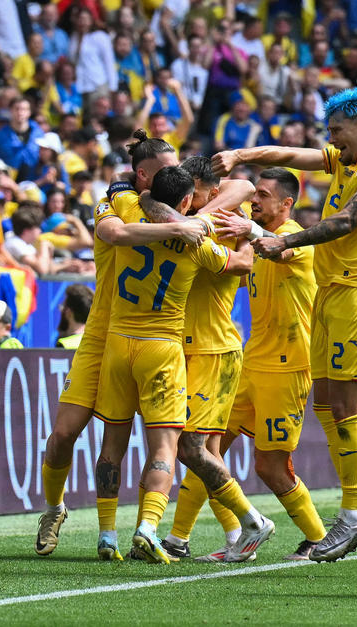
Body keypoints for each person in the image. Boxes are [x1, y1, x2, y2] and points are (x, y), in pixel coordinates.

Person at [213, 87, 357, 562]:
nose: (332, 143)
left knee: (345, 405)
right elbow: (290, 154)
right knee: (326, 402)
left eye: (338, 131)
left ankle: (350, 516)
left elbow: (345, 222)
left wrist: (286, 241)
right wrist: (242, 153)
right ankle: (356, 501)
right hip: (332, 294)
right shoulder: (346, 158)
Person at [34, 131, 208, 558]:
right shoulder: (115, 201)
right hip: (100, 334)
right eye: (169, 169)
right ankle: (54, 509)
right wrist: (181, 225)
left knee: (121, 437)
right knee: (63, 434)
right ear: (143, 174)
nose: (178, 175)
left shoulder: (165, 202)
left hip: (138, 336)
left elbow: (234, 184)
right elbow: (112, 233)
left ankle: (116, 533)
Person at [93, 165, 256, 564]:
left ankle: (107, 535)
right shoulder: (196, 240)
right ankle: (149, 528)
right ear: (187, 201)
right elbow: (240, 265)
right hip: (162, 347)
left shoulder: (129, 214)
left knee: (111, 443)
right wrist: (249, 234)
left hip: (117, 344)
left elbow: (120, 213)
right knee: (168, 446)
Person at [172, 167, 330, 563]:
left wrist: (246, 228)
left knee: (270, 466)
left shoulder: (298, 237)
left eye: (262, 195)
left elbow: (282, 246)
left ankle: (317, 538)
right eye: (253, 193)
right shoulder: (253, 247)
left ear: (286, 203)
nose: (253, 200)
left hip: (289, 367)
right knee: (203, 448)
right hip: (250, 362)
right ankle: (179, 538)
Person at [55, 284, 93, 349]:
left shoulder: (64, 345)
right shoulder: (95, 343)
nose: (60, 310)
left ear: (69, 312)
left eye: (63, 306)